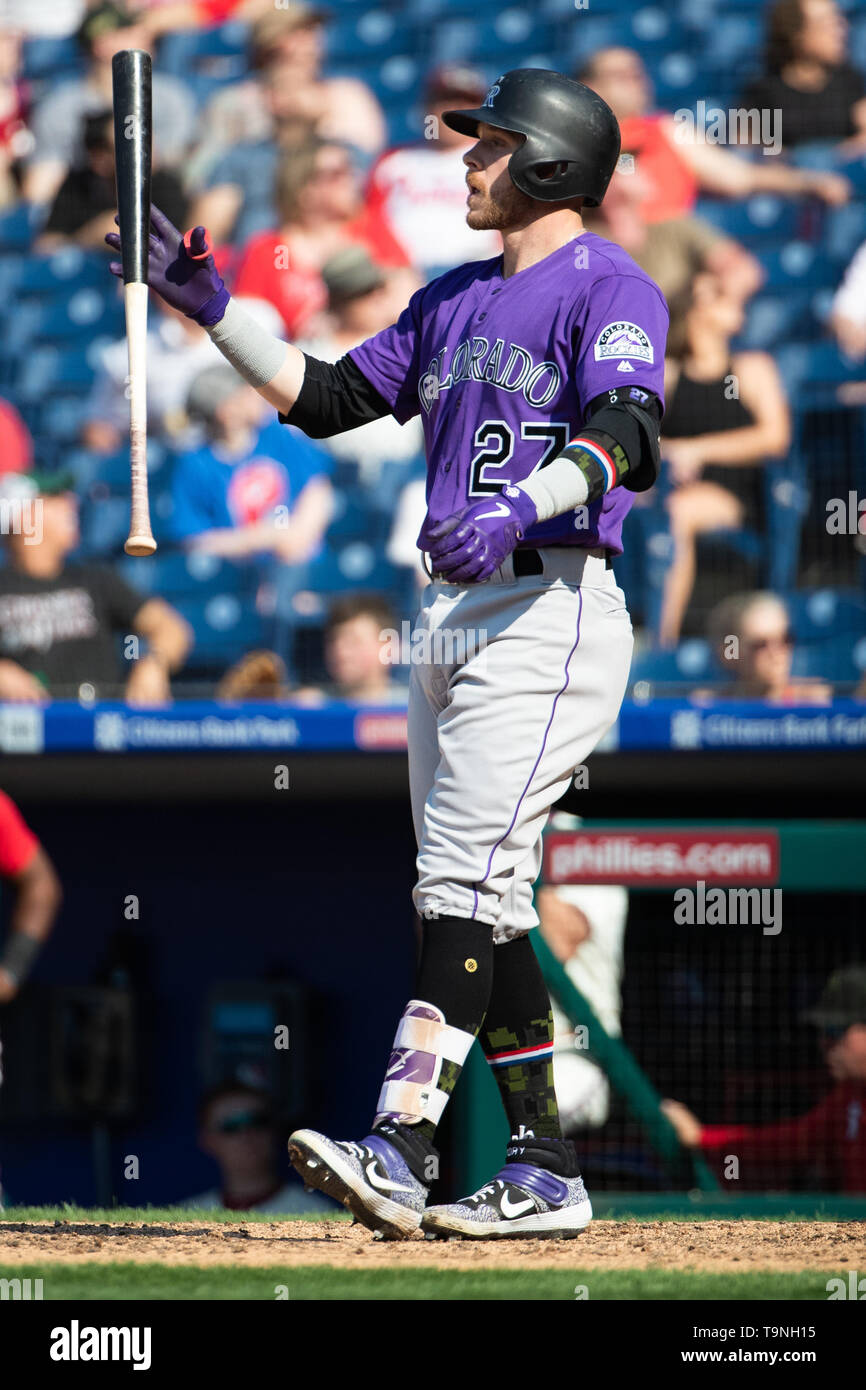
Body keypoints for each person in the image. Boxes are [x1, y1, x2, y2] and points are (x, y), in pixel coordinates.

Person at [107, 68, 668, 1240]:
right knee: (484, 902)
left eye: (489, 146)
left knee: (458, 883)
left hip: (549, 602)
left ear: (551, 164)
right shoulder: (453, 298)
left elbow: (629, 431)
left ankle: (403, 1146)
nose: (465, 163)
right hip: (451, 616)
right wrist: (214, 314)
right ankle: (542, 1167)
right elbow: (320, 399)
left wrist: (522, 506)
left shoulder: (610, 284)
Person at [658, 272, 791, 647]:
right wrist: (669, 453)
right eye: (717, 294)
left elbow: (774, 437)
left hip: (737, 495)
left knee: (677, 511)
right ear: (695, 312)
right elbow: (643, 435)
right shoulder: (668, 374)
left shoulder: (751, 368)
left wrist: (697, 450)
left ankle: (662, 639)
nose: (731, 297)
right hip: (673, 487)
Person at [579, 46, 850, 224]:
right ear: (588, 85)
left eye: (637, 72)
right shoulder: (575, 139)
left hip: (665, 248)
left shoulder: (667, 130)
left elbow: (740, 177)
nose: (636, 80)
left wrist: (808, 183)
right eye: (621, 75)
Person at [662, 966, 866, 1192]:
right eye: (823, 1031)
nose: (825, 1043)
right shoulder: (848, 1096)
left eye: (836, 1030)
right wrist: (702, 1137)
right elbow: (786, 1143)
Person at [0, 469, 191, 702]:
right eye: (54, 497)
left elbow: (171, 628)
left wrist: (154, 663)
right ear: (22, 516)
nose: (71, 503)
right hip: (27, 729)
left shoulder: (95, 579)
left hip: (102, 724)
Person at [186, 4, 386, 192]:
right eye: (297, 34)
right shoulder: (234, 102)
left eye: (312, 32)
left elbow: (370, 170)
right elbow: (200, 177)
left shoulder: (348, 94)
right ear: (268, 45)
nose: (310, 43)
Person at [230, 138, 410, 340]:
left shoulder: (372, 231)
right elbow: (249, 325)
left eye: (351, 170)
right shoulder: (267, 250)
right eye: (337, 174)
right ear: (303, 189)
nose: (352, 180)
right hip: (296, 359)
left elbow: (407, 302)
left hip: (369, 350)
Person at [23, 1, 195, 207]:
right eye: (129, 30)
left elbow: (177, 169)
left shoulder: (170, 96)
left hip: (156, 205)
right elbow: (39, 191)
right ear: (101, 43)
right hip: (86, 207)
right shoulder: (62, 106)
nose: (146, 35)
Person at [171, 363, 333, 564]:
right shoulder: (196, 464)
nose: (259, 396)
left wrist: (298, 535)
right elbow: (194, 539)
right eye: (247, 392)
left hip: (302, 568)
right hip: (238, 578)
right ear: (226, 410)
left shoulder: (278, 435)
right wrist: (265, 538)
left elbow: (317, 488)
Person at [296, 245, 424, 487]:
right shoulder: (310, 350)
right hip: (332, 477)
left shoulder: (403, 342)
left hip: (401, 476)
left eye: (381, 289)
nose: (380, 298)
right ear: (342, 301)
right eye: (368, 292)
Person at [363, 64, 502, 275]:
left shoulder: (496, 159)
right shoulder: (393, 162)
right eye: (444, 101)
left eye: (465, 101)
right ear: (426, 108)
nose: (454, 109)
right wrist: (395, 264)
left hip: (481, 270)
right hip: (403, 275)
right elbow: (369, 220)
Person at [582, 160, 762, 307]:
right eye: (624, 163)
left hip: (680, 344)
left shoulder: (675, 228)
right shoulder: (583, 240)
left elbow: (744, 270)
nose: (639, 166)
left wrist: (718, 295)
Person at [37, 109, 186, 252]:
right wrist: (91, 236)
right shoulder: (78, 185)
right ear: (99, 158)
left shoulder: (166, 187)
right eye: (131, 144)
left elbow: (176, 250)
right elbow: (47, 246)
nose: (146, 150)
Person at [184, 1081, 331, 1213]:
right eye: (231, 1126)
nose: (247, 1135)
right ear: (208, 1141)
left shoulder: (316, 1214)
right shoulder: (186, 1217)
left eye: (258, 1122)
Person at [740, 0, 866, 152]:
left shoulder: (850, 82)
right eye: (828, 24)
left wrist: (836, 156)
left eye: (840, 22)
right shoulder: (762, 93)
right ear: (796, 34)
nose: (841, 31)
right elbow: (745, 151)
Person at [702, 590, 833, 704]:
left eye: (786, 640)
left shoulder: (810, 701)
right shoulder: (713, 705)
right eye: (761, 645)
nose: (776, 653)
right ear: (731, 652)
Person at [296, 593, 408, 706]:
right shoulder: (311, 706)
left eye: (353, 641)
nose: (340, 652)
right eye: (332, 641)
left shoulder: (415, 708)